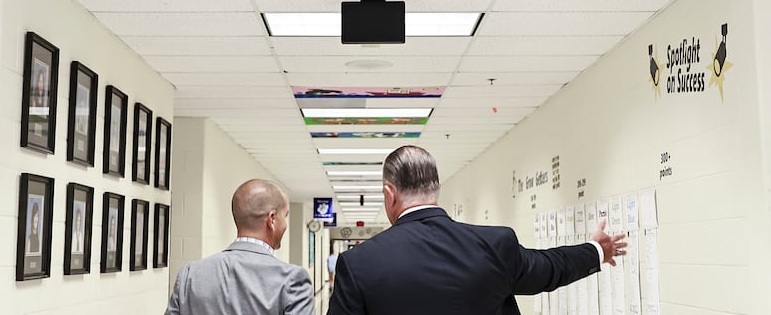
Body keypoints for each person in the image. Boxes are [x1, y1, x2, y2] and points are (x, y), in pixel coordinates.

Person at [328, 145, 627, 315]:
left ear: (389, 193)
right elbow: (549, 268)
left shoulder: (359, 264)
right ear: (436, 188)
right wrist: (598, 250)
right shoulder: (495, 244)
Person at [166, 179, 314, 315]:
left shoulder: (190, 273)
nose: (285, 224)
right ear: (272, 219)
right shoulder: (292, 280)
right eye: (285, 216)